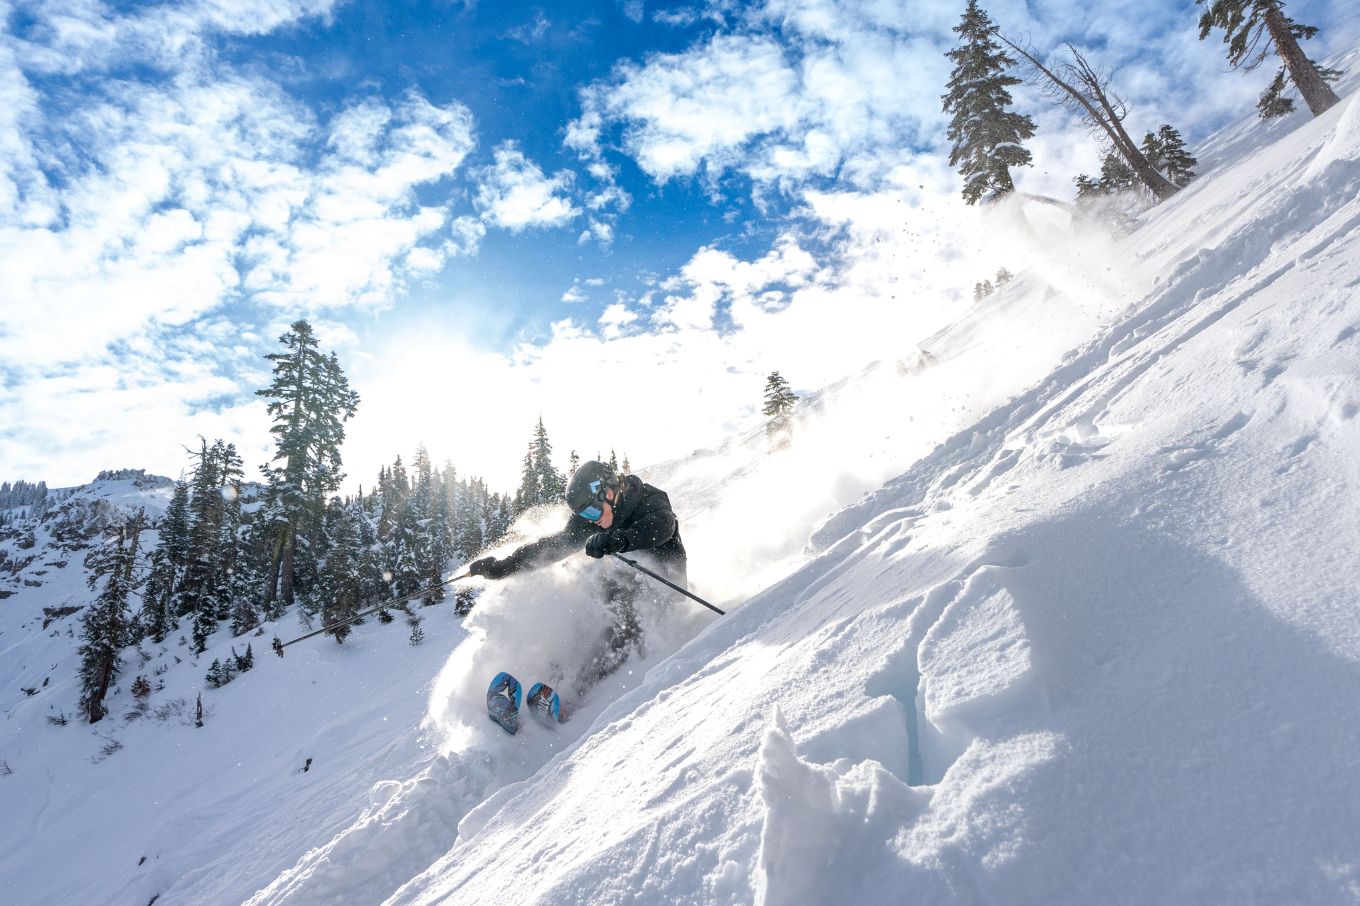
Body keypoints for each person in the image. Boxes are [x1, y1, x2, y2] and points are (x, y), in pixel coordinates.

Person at [468, 460, 687, 686]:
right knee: (586, 598)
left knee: (621, 609)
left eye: (591, 510)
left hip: (662, 589)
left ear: (608, 493)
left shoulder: (648, 498)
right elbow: (552, 547)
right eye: (584, 514)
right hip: (623, 583)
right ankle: (558, 674)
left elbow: (662, 526)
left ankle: (583, 688)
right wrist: (502, 568)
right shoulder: (593, 519)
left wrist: (619, 540)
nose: (590, 519)